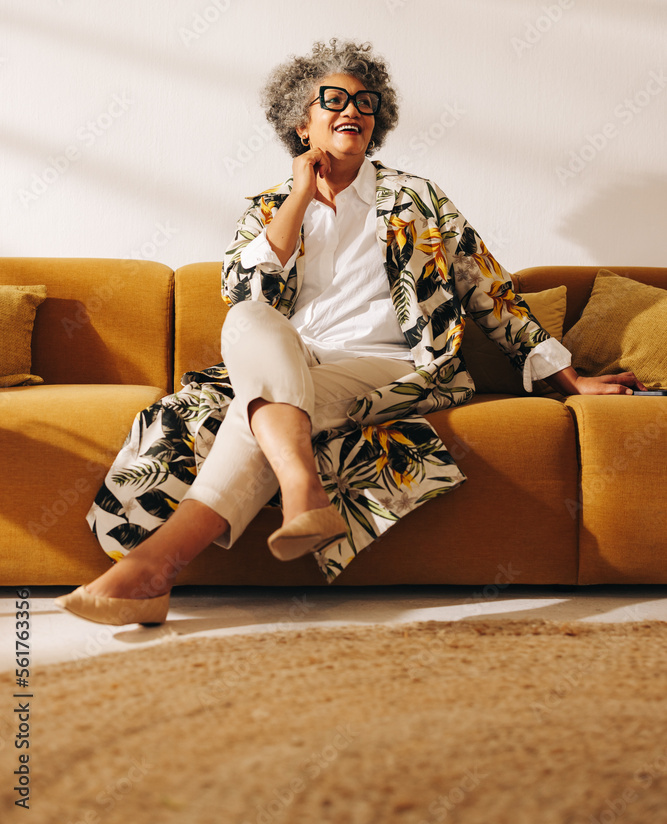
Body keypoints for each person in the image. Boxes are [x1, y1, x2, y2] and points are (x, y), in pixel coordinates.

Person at [55, 38, 646, 627]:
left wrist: (570, 380)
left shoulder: (415, 200)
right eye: (333, 99)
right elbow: (246, 291)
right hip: (295, 359)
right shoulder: (269, 208)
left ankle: (155, 568)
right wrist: (298, 195)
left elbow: (491, 289)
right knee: (247, 321)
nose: (353, 111)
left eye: (367, 103)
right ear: (301, 122)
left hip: (393, 363)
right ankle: (300, 489)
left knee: (255, 410)